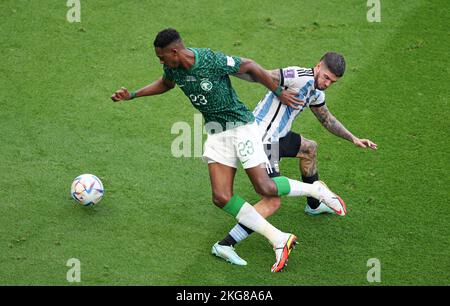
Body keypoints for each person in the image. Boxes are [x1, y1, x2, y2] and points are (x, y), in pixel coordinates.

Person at [111, 28, 346, 272]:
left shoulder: (209, 60)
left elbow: (251, 66)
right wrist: (134, 95)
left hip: (241, 126)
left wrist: (277, 91)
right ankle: (279, 238)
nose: (161, 61)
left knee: (265, 187)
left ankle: (315, 189)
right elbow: (166, 84)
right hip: (217, 131)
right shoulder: (172, 68)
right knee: (221, 197)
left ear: (174, 51)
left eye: (162, 57)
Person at [212, 52, 377, 266]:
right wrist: (228, 70)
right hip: (262, 140)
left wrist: (353, 138)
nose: (327, 84)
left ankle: (314, 205)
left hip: (277, 137)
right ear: (318, 66)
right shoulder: (297, 76)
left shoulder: (315, 92)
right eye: (326, 77)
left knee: (309, 149)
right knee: (272, 200)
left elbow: (326, 119)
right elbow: (260, 75)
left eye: (332, 82)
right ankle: (225, 245)